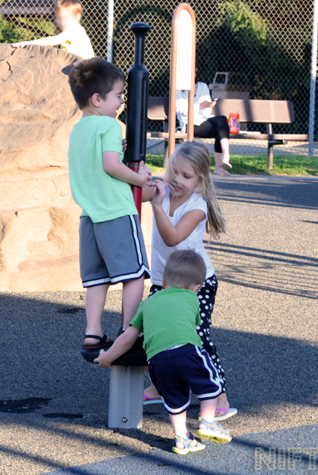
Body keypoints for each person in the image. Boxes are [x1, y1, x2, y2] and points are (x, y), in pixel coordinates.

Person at [95, 250, 232, 455]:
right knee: (210, 383)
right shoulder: (192, 299)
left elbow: (127, 338)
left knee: (173, 398)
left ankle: (183, 439)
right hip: (187, 350)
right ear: (197, 288)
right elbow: (193, 330)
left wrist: (107, 358)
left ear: (164, 281)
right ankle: (208, 421)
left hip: (157, 361)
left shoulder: (147, 303)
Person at [141, 141, 236, 421]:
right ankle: (161, 386)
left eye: (186, 176)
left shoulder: (197, 207)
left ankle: (219, 395)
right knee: (154, 333)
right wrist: (134, 167)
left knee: (196, 335)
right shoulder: (163, 191)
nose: (177, 180)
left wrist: (157, 206)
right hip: (163, 281)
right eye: (174, 172)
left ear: (200, 180)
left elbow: (172, 237)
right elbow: (134, 189)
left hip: (197, 284)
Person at [67, 57, 152, 350]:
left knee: (96, 278)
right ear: (97, 99)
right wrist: (140, 179)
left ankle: (93, 331)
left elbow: (97, 159)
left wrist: (116, 149)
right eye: (118, 95)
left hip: (89, 216)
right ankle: (130, 331)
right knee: (135, 273)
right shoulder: (111, 125)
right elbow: (111, 166)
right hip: (116, 211)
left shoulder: (78, 129)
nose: (121, 102)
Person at [176, 80, 231, 176]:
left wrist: (204, 106)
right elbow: (182, 110)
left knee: (222, 120)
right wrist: (200, 106)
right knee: (220, 129)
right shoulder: (178, 88)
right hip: (189, 124)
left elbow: (207, 110)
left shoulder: (203, 86)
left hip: (204, 120)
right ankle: (219, 165)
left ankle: (225, 156)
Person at [12, 0, 94, 59]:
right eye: (59, 18)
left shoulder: (74, 31)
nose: (62, 21)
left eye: (66, 18)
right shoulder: (75, 32)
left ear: (77, 17)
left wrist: (28, 43)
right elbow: (65, 42)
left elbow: (54, 40)